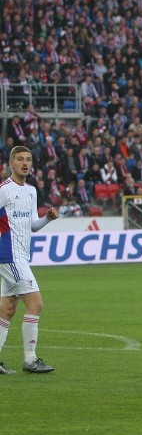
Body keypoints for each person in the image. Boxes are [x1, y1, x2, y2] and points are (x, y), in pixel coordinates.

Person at [0, 147, 60, 376]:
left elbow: (32, 225)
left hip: (20, 256)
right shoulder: (4, 190)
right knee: (36, 304)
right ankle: (30, 360)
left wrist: (47, 218)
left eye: (28, 160)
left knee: (7, 308)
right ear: (11, 164)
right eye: (20, 160)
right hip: (9, 255)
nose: (24, 163)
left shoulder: (32, 191)